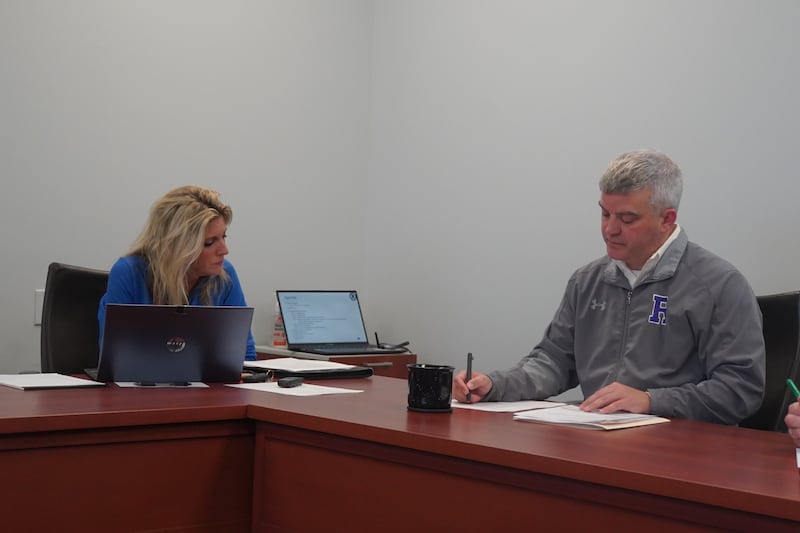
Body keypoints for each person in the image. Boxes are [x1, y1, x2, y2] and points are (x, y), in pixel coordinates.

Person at [453, 149, 765, 425]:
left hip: (682, 448)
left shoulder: (719, 285)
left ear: (666, 219)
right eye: (605, 213)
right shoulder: (587, 280)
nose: (609, 229)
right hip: (598, 438)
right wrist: (495, 385)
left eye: (627, 219)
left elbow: (740, 389)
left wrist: (651, 400)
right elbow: (555, 361)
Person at [98, 185, 257, 360]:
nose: (224, 250)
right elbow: (115, 359)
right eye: (209, 242)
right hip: (140, 378)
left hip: (207, 379)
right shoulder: (129, 273)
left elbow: (244, 356)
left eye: (223, 237)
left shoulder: (224, 275)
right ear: (176, 246)